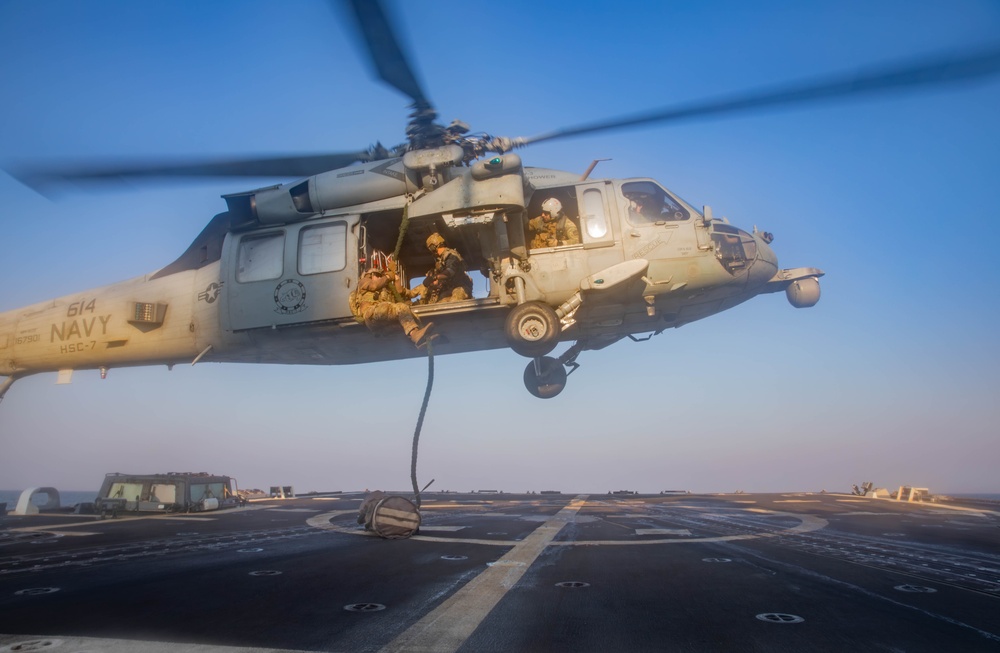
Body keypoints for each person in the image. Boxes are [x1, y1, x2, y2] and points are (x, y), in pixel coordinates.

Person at [350, 268, 434, 347]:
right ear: (369, 275)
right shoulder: (364, 282)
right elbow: (374, 286)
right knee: (401, 308)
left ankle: (423, 338)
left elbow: (399, 293)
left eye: (380, 275)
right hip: (371, 315)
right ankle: (415, 334)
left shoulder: (385, 291)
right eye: (377, 275)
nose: (380, 277)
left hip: (382, 323)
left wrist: (397, 280)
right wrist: (387, 276)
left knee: (411, 314)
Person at [414, 232, 474, 304]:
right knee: (439, 304)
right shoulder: (440, 260)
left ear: (433, 247)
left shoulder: (451, 255)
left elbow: (450, 272)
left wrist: (434, 277)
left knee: (454, 301)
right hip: (450, 288)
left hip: (461, 287)